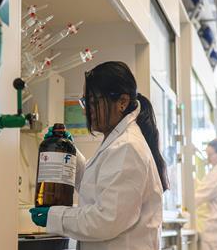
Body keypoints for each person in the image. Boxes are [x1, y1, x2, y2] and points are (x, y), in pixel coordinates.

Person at [29, 61, 169, 250]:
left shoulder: (127, 146)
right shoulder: (118, 142)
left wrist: (55, 216)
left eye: (94, 103)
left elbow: (106, 220)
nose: (87, 111)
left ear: (122, 102)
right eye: (85, 102)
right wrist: (69, 152)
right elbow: (96, 186)